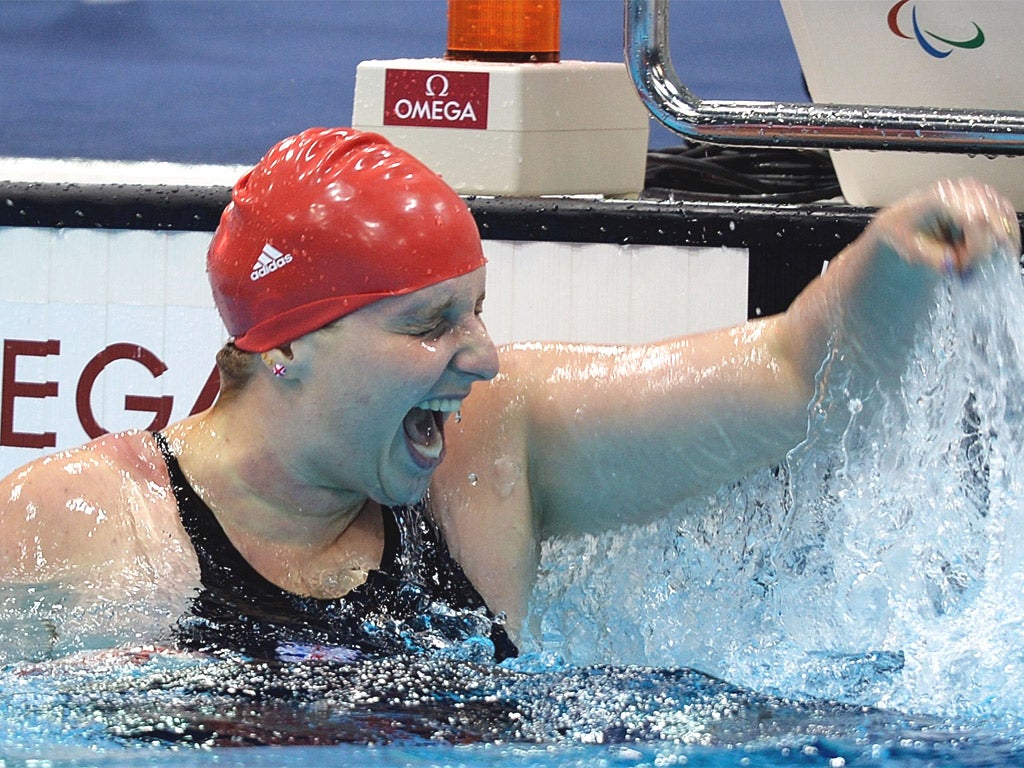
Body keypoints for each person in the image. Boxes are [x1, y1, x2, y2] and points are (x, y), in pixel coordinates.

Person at [0, 128, 1018, 663]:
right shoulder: (89, 523)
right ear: (287, 347)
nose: (480, 356)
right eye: (429, 323)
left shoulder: (496, 442)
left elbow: (793, 378)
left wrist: (893, 252)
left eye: (476, 310)